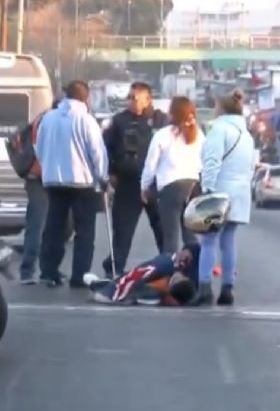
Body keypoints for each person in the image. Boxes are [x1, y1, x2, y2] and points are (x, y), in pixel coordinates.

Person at [35, 81, 109, 289]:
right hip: (81, 182)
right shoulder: (86, 120)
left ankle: (48, 271)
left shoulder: (48, 118)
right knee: (84, 231)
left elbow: (39, 148)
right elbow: (97, 153)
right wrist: (101, 177)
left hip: (53, 181)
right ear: (86, 98)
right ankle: (80, 275)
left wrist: (48, 167)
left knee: (54, 227)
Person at [190, 89, 254, 306]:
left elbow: (212, 161)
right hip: (240, 193)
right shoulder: (247, 135)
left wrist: (207, 188)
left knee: (208, 241)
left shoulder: (219, 129)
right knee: (229, 241)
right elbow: (251, 167)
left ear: (222, 108)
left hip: (219, 190)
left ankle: (205, 287)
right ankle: (228, 287)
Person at [102, 81, 167, 275]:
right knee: (123, 230)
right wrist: (111, 172)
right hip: (128, 182)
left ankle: (168, 266)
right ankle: (115, 267)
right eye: (129, 98)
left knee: (163, 229)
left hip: (155, 184)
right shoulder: (119, 121)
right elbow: (106, 149)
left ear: (148, 100)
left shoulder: (161, 121)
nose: (131, 102)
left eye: (135, 98)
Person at [140, 96, 204, 258]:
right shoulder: (199, 135)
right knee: (190, 236)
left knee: (171, 238)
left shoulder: (163, 135)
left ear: (172, 113)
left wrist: (144, 187)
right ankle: (194, 274)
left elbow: (150, 165)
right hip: (194, 187)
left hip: (171, 188)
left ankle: (171, 275)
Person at [18, 99, 60, 286]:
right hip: (42, 176)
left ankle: (43, 270)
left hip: (37, 176)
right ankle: (28, 270)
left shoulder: (40, 119)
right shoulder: (50, 122)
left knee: (41, 224)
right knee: (39, 225)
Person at [85, 243, 200, 306]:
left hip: (151, 283)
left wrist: (113, 294)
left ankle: (104, 285)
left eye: (175, 280)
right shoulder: (180, 269)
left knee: (144, 285)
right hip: (168, 266)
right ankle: (104, 284)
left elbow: (136, 276)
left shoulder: (153, 293)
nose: (178, 276)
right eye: (181, 277)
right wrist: (189, 250)